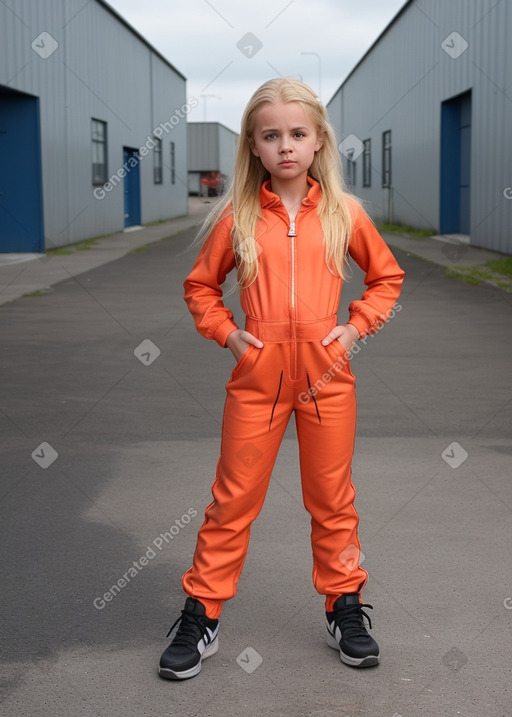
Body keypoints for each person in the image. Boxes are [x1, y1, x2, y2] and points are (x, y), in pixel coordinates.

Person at [159, 78, 405, 680]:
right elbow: (199, 287)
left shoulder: (346, 213)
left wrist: (351, 332)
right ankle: (203, 613)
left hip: (327, 379)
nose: (286, 146)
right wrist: (230, 335)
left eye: (298, 133)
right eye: (272, 136)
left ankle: (344, 606)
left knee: (332, 500)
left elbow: (387, 279)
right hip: (258, 381)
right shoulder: (237, 215)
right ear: (254, 146)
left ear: (319, 141)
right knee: (232, 500)